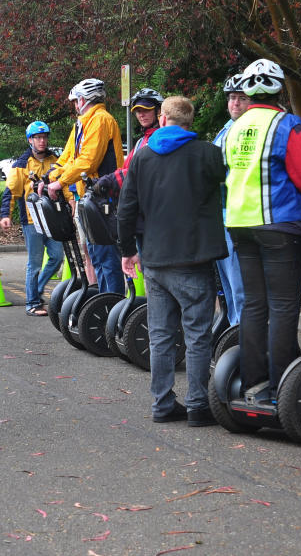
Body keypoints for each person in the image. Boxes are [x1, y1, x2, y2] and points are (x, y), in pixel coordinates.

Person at [224, 59, 301, 400]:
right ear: (278, 89)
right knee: (284, 306)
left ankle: (253, 382)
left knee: (254, 305)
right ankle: (281, 386)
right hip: (279, 226)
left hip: (240, 225)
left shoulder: (234, 129)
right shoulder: (286, 124)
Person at [118, 96, 226, 426]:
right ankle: (197, 405)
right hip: (193, 259)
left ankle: (162, 404)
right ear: (189, 122)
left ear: (163, 119)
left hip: (154, 259)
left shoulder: (142, 156)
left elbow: (126, 209)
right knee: (197, 335)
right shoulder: (207, 153)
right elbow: (226, 186)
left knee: (161, 336)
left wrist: (127, 251)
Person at [46, 77, 124, 295]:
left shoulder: (100, 120)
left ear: (83, 99)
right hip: (89, 197)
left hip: (104, 197)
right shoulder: (83, 122)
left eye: (75, 101)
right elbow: (69, 157)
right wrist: (51, 176)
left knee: (106, 256)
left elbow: (88, 160)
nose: (74, 105)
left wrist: (61, 181)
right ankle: (103, 301)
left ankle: (113, 303)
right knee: (96, 255)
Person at [0, 121, 65, 316]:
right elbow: (11, 191)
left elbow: (65, 182)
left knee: (57, 257)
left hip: (53, 218)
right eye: (38, 137)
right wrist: (6, 215)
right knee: (34, 263)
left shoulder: (55, 160)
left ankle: (36, 290)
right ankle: (32, 303)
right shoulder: (21, 164)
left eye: (44, 137)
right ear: (30, 140)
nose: (42, 141)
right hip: (31, 219)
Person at [94, 88, 163, 254]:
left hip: (155, 214)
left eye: (146, 110)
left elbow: (135, 174)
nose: (141, 115)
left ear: (159, 111)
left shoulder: (160, 138)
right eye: (138, 111)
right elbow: (126, 168)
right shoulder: (141, 142)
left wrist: (109, 181)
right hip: (141, 214)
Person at [213, 74, 248, 326]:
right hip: (220, 216)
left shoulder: (247, 129)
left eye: (241, 98)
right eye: (232, 98)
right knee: (226, 285)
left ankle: (243, 337)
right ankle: (234, 331)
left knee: (240, 286)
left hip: (237, 216)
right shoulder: (226, 128)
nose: (235, 103)